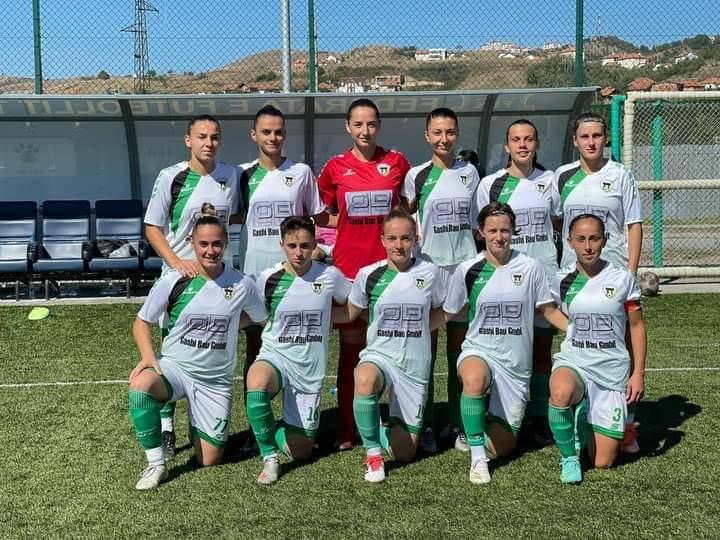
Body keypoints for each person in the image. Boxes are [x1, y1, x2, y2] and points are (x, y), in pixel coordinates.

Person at [128, 205, 267, 490]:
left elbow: (261, 319)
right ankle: (156, 464)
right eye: (203, 244)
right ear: (192, 243)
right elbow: (142, 321)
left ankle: (197, 425)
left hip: (215, 381)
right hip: (175, 368)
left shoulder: (242, 284)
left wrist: (231, 324)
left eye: (216, 243)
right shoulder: (174, 280)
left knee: (209, 460)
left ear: (226, 243)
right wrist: (148, 356)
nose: (210, 250)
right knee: (140, 386)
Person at [443, 202, 567, 484]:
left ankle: (480, 422)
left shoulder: (531, 267)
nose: (499, 237)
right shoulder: (468, 270)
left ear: (513, 231)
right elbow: (449, 312)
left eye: (505, 230)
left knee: (503, 447)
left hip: (515, 366)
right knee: (473, 378)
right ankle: (477, 457)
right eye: (492, 231)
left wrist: (577, 331)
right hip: (479, 350)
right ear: (480, 233)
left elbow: (548, 310)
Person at [143, 114, 242, 458]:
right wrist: (176, 263)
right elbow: (152, 227)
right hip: (180, 281)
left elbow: (238, 215)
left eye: (214, 137)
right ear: (188, 140)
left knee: (212, 346)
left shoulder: (232, 175)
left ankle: (204, 418)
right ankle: (166, 426)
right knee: (171, 350)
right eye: (201, 136)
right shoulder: (171, 177)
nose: (208, 143)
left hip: (218, 279)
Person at [317, 98, 411, 450]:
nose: (365, 130)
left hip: (390, 273)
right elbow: (320, 213)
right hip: (348, 272)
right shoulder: (335, 167)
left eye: (371, 124)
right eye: (358, 124)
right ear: (348, 127)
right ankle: (347, 428)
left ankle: (397, 421)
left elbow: (408, 208)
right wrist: (345, 222)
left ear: (379, 125)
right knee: (352, 351)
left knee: (392, 348)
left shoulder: (397, 162)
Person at [238, 105, 326, 451]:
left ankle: (296, 417)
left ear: (285, 134)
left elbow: (316, 219)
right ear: (253, 135)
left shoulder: (301, 172)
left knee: (298, 341)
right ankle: (255, 427)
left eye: (278, 131)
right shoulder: (241, 175)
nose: (272, 137)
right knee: (255, 348)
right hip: (254, 276)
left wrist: (320, 250)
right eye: (266, 131)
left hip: (296, 276)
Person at [554, 112, 643, 453]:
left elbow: (634, 224)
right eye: (584, 136)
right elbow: (557, 220)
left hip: (614, 272)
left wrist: (630, 270)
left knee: (623, 344)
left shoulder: (620, 174)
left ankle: (628, 420)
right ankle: (578, 407)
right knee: (578, 339)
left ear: (606, 139)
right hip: (575, 274)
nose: (591, 142)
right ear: (575, 140)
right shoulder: (563, 176)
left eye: (596, 136)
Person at [336, 209, 445, 482]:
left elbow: (444, 309)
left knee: (405, 453)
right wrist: (312, 312)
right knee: (364, 377)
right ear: (382, 240)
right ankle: (373, 455)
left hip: (414, 364)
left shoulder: (431, 272)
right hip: (380, 355)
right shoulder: (368, 275)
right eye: (393, 238)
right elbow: (352, 312)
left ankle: (377, 426)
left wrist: (420, 328)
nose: (399, 245)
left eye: (406, 238)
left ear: (416, 239)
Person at [246, 216, 350, 485]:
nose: (299, 252)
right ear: (282, 245)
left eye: (305, 245)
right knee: (256, 384)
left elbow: (352, 305)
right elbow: (255, 314)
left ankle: (274, 427)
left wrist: (327, 318)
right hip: (276, 355)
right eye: (292, 246)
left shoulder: (329, 276)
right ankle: (270, 458)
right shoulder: (267, 278)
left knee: (301, 452)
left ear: (315, 244)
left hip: (309, 368)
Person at [401, 107, 481, 453]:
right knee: (426, 353)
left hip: (463, 271)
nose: (444, 139)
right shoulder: (416, 176)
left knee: (459, 352)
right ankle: (428, 424)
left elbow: (477, 222)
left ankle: (459, 424)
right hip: (430, 272)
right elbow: (406, 219)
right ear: (427, 136)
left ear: (457, 134)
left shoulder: (470, 172)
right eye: (437, 132)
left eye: (450, 132)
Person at [476, 119, 559, 446]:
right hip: (504, 280)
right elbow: (482, 233)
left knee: (541, 351)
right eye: (516, 139)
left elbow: (560, 222)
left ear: (537, 144)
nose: (522, 145)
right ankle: (496, 413)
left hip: (544, 277)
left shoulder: (550, 181)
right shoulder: (491, 184)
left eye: (528, 139)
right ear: (506, 146)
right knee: (500, 348)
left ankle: (539, 418)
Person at [548, 214, 646, 484]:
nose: (588, 246)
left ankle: (583, 418)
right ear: (570, 242)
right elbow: (546, 308)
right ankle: (569, 457)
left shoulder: (623, 279)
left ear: (605, 240)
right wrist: (570, 328)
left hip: (611, 371)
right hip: (575, 362)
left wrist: (638, 373)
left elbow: (636, 326)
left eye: (594, 238)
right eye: (581, 239)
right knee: (560, 390)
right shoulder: (561, 280)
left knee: (603, 462)